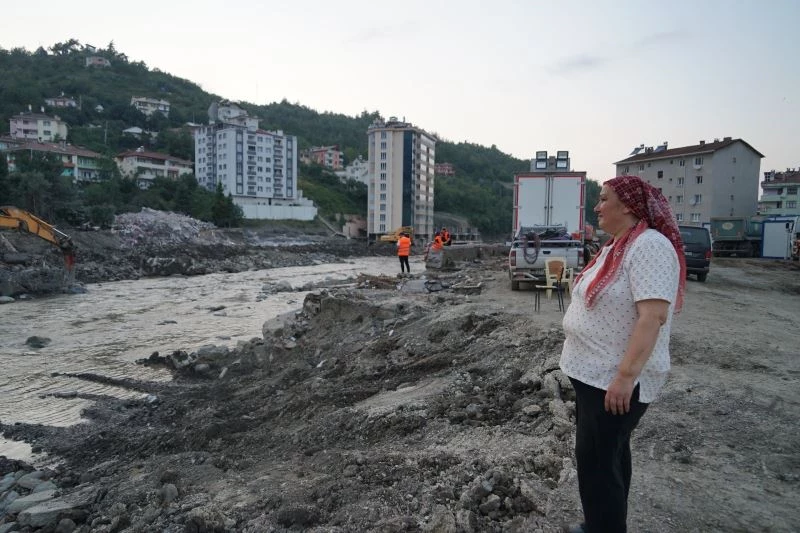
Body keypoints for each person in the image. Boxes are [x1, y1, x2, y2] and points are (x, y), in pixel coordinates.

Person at [559, 175, 685, 533]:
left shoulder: (649, 247)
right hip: (592, 377)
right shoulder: (620, 244)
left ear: (627, 205)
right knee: (607, 458)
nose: (597, 207)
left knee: (598, 464)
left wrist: (625, 378)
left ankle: (602, 528)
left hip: (612, 381)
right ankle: (604, 524)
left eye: (603, 199)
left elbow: (653, 316)